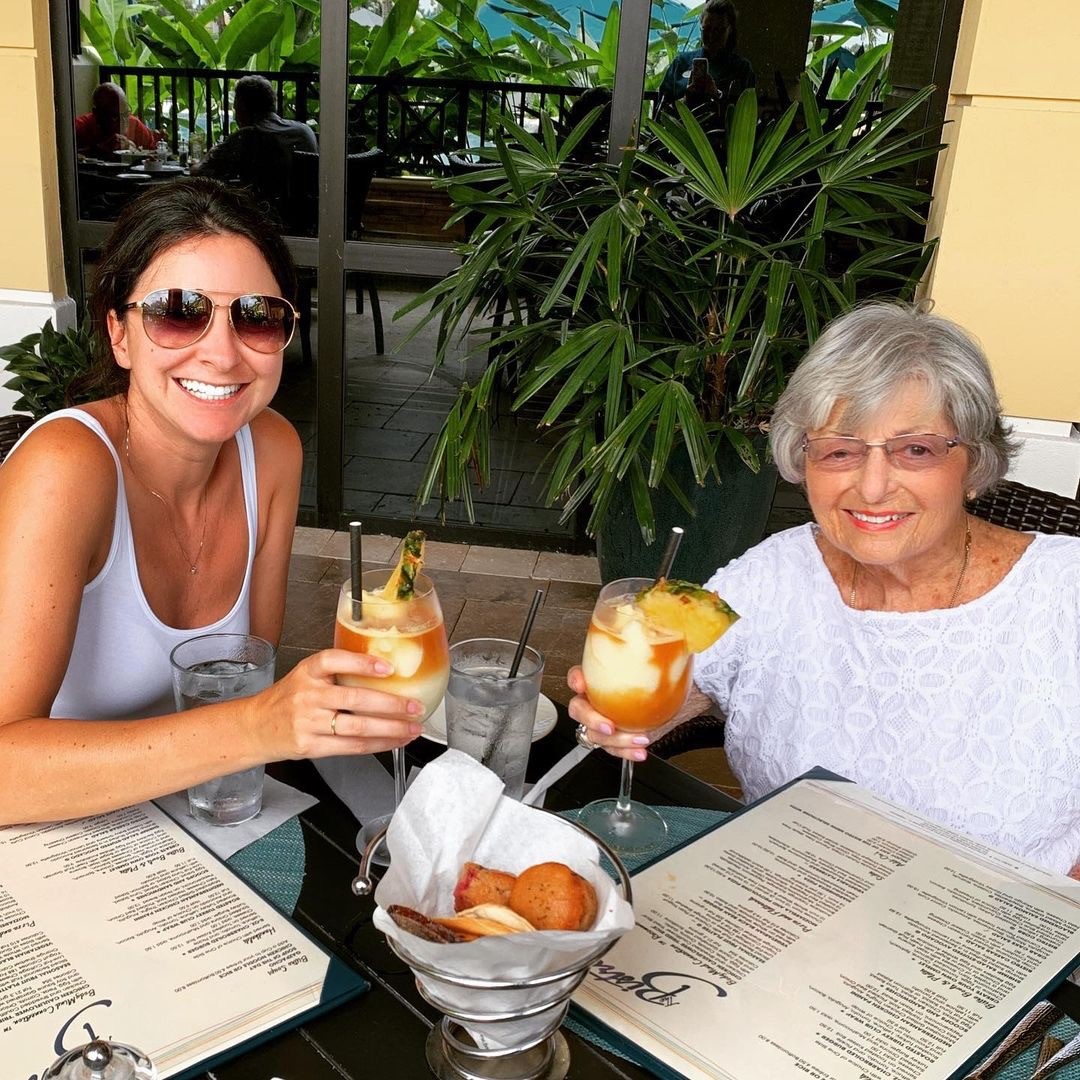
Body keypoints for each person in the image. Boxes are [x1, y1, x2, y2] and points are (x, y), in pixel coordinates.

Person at [569, 302, 1080, 877]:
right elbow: (669, 669)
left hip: (992, 935)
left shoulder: (1066, 593)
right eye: (840, 450)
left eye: (916, 449)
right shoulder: (772, 575)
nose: (873, 485)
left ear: (975, 459)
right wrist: (620, 715)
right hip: (780, 902)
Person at [0, 178, 423, 826]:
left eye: (257, 316)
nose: (223, 354)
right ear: (119, 333)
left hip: (204, 826)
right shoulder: (67, 468)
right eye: (178, 311)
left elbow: (248, 674)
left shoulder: (273, 450)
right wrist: (260, 726)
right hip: (54, 841)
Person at [656, 0, 755, 113]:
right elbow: (661, 111)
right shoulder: (681, 63)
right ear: (700, 27)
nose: (712, 36)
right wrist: (685, 101)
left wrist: (717, 96)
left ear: (730, 30)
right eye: (706, 29)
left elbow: (746, 114)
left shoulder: (741, 68)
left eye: (719, 30)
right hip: (681, 130)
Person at [75, 83, 160, 155]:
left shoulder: (134, 125)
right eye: (115, 117)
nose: (122, 122)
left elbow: (154, 155)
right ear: (96, 113)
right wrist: (98, 149)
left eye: (126, 114)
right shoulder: (80, 127)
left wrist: (135, 150)